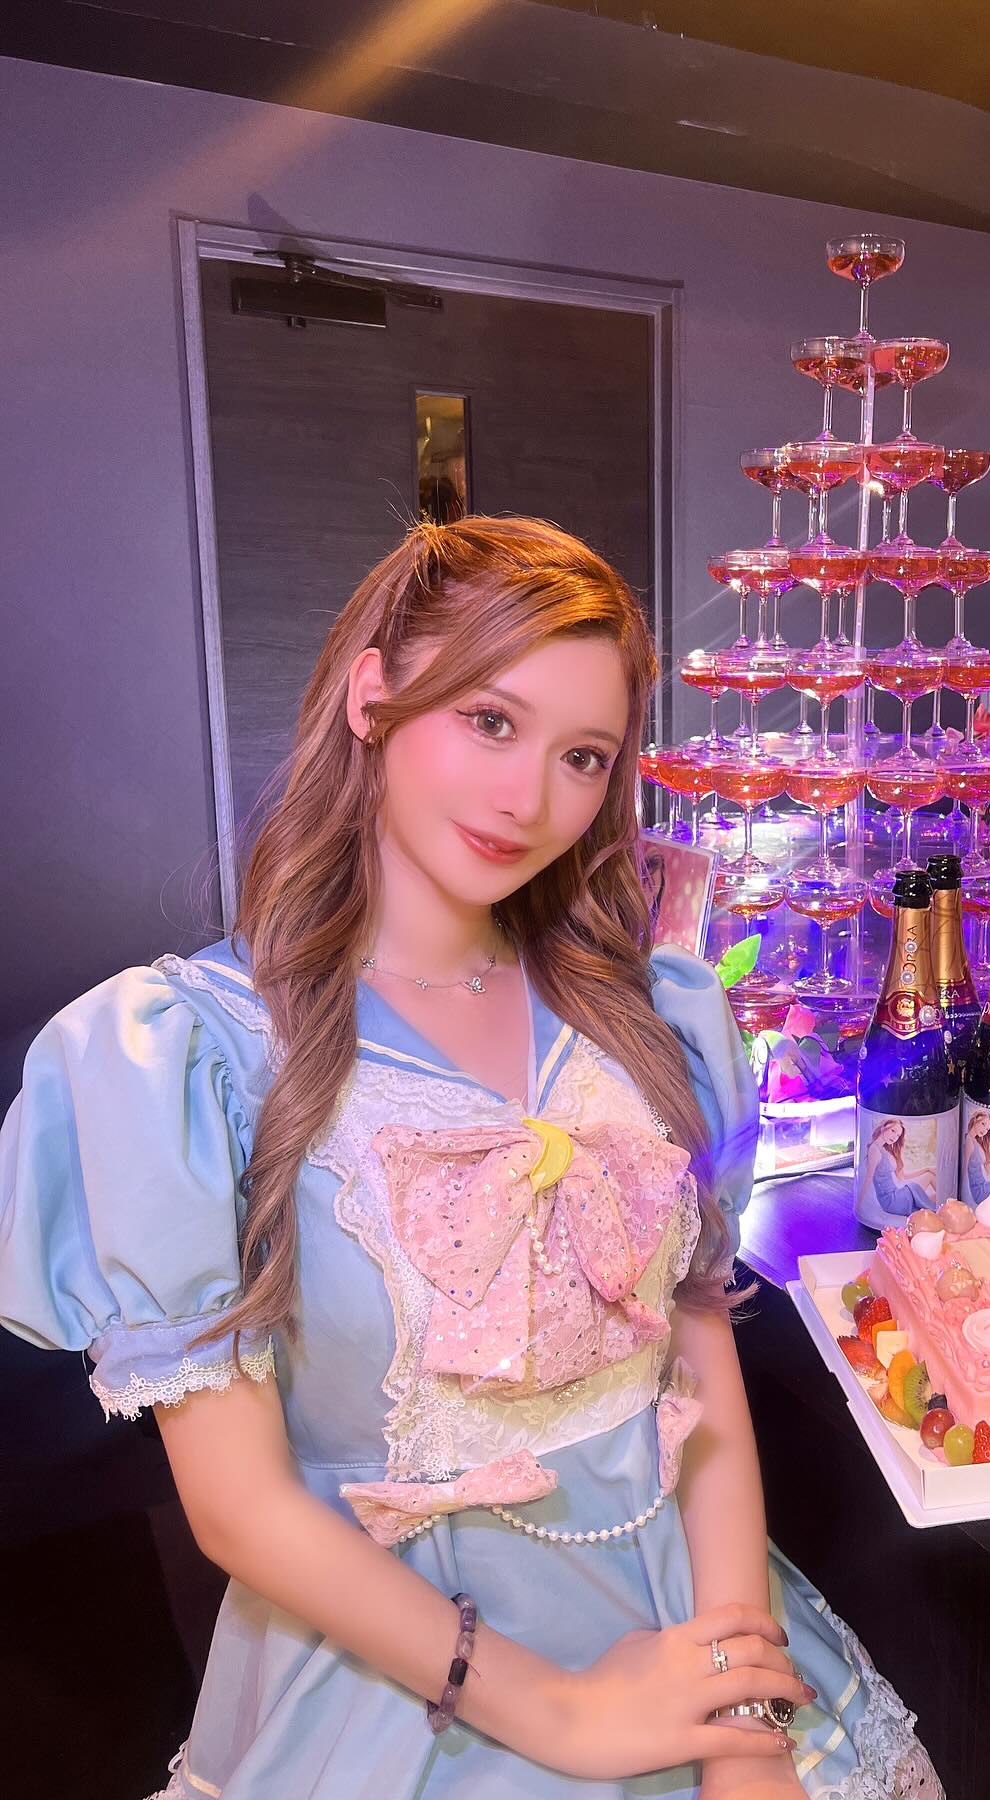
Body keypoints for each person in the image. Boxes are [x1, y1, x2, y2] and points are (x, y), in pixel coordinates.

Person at [0, 518, 941, 1800]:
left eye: (582, 756)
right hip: (404, 1681)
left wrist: (745, 1713)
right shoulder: (192, 1057)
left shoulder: (649, 1017)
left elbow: (699, 1368)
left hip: (695, 1625)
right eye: (490, 722)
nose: (528, 799)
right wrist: (564, 1714)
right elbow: (239, 1508)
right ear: (371, 696)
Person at [859, 1118, 937, 1219]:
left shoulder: (886, 1150)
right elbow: (868, 1179)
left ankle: (945, 1207)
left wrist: (926, 1169)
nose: (894, 1137)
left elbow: (903, 1176)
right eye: (893, 1131)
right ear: (884, 1127)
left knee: (932, 1197)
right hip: (891, 1200)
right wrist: (858, 1205)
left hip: (896, 1195)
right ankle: (947, 1208)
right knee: (929, 1178)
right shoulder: (875, 1149)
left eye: (898, 1135)